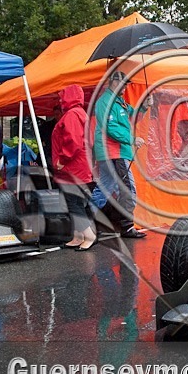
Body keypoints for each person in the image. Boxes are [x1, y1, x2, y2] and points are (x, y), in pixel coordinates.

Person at [92, 71, 151, 238]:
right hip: (114, 153)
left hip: (114, 152)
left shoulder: (118, 102)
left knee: (104, 188)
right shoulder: (106, 102)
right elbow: (110, 128)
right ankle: (125, 226)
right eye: (123, 83)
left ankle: (87, 223)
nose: (125, 87)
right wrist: (132, 139)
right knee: (128, 190)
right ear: (113, 82)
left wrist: (145, 106)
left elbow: (134, 116)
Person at [51, 84, 97, 251]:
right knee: (75, 201)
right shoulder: (79, 113)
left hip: (72, 167)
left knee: (73, 202)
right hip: (78, 166)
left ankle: (88, 234)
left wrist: (62, 160)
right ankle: (79, 235)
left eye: (62, 96)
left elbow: (73, 141)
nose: (61, 99)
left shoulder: (71, 114)